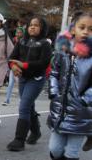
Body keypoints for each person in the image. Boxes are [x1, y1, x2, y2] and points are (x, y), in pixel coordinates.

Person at [48, 12, 92, 160]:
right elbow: (54, 73)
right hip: (60, 110)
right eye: (82, 27)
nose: (86, 31)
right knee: (55, 150)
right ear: (73, 30)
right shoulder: (63, 51)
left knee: (71, 154)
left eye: (91, 29)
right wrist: (54, 92)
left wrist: (85, 100)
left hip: (82, 113)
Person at [7, 17, 52, 151]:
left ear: (42, 28)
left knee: (24, 106)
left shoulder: (45, 44)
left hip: (36, 79)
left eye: (36, 25)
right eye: (31, 25)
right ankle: (36, 131)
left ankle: (19, 140)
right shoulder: (21, 41)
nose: (32, 27)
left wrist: (24, 65)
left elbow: (44, 63)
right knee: (29, 106)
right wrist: (13, 66)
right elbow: (11, 58)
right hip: (23, 79)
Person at [2, 26, 25, 106]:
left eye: (20, 32)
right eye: (17, 32)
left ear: (23, 33)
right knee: (11, 83)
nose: (18, 34)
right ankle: (7, 100)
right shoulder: (13, 40)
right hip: (13, 64)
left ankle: (22, 100)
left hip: (21, 65)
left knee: (20, 83)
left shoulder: (24, 42)